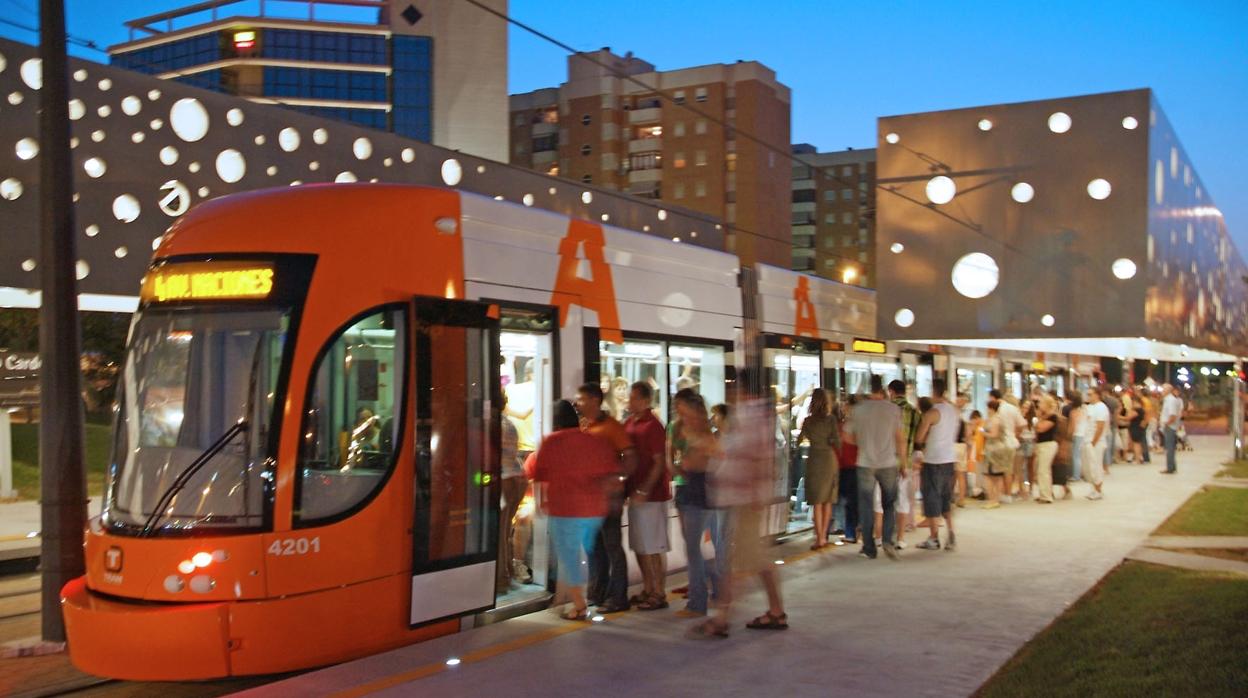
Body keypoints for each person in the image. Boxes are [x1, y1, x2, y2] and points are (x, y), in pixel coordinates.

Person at [695, 369, 787, 637]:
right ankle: (772, 610)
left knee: (741, 560)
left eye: (731, 386)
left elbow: (758, 457)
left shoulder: (752, 416)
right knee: (749, 559)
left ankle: (724, 617)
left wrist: (757, 493)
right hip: (743, 498)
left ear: (740, 388)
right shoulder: (750, 415)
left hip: (746, 499)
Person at [526, 400, 620, 621]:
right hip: (594, 511)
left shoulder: (550, 442)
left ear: (555, 421)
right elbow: (610, 473)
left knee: (570, 558)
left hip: (565, 509)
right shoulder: (593, 441)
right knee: (587, 553)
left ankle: (579, 604)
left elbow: (540, 478)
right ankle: (588, 596)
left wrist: (541, 504)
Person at [576, 383, 637, 614]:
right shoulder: (584, 426)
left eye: (581, 399)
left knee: (611, 546)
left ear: (594, 400)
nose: (578, 403)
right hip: (589, 498)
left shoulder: (612, 427)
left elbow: (631, 456)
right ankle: (597, 594)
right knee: (593, 547)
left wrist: (618, 479)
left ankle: (618, 597)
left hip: (608, 498)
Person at [673, 389, 722, 619]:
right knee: (693, 547)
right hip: (689, 489)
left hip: (699, 491)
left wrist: (690, 462)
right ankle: (716, 585)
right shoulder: (685, 429)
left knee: (693, 548)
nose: (680, 415)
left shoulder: (703, 434)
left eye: (683, 410)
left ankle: (698, 602)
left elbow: (714, 459)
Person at [846, 375, 906, 560]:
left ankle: (869, 548)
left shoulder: (858, 410)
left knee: (866, 505)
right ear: (882, 390)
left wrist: (863, 443)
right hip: (888, 462)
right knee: (889, 503)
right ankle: (887, 541)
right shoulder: (893, 409)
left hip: (865, 463)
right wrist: (902, 462)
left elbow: (847, 437)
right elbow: (899, 438)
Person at [624, 381, 672, 610]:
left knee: (653, 546)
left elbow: (659, 463)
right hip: (636, 493)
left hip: (652, 496)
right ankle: (648, 587)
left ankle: (658, 592)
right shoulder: (630, 422)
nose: (629, 401)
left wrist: (644, 489)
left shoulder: (653, 426)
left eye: (633, 398)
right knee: (640, 545)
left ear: (645, 400)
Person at [913, 379, 959, 551]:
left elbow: (919, 438)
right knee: (946, 497)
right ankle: (951, 531)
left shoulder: (931, 413)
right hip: (949, 459)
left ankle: (933, 538)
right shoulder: (953, 411)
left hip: (933, 460)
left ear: (933, 391)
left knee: (931, 498)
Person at [795, 388, 840, 550]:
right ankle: (823, 538)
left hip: (814, 460)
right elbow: (837, 442)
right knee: (827, 500)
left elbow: (798, 441)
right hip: (829, 460)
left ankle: (818, 537)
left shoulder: (808, 421)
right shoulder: (831, 420)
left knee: (816, 502)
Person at [497, 392, 525, 594]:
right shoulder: (509, 423)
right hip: (517, 477)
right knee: (506, 530)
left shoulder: (491, 424)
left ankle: (501, 579)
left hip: (504, 479)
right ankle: (506, 571)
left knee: (499, 532)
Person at [989, 389, 1025, 502]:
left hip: (998, 442)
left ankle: (999, 494)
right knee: (1008, 469)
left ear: (993, 397)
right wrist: (1016, 433)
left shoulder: (995, 410)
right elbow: (1023, 424)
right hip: (1011, 441)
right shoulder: (1012, 408)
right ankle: (1008, 494)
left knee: (998, 470)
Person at [834, 397, 860, 544]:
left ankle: (850, 531)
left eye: (846, 406)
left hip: (848, 466)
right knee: (850, 500)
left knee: (848, 500)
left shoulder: (849, 425)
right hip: (850, 465)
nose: (844, 408)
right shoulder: (847, 424)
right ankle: (851, 531)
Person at [981, 399, 1011, 509]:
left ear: (991, 408)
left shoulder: (994, 420)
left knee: (989, 475)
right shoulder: (999, 419)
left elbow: (994, 434)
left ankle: (992, 499)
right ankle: (996, 499)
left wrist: (982, 433)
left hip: (993, 450)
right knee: (998, 476)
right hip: (1000, 449)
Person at [1082, 387, 1110, 500]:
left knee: (1096, 466)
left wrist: (1094, 442)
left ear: (1097, 395)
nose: (1088, 396)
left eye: (1090, 394)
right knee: (1089, 467)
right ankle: (1093, 488)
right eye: (1087, 394)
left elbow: (1100, 426)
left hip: (1096, 442)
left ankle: (1098, 489)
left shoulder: (1101, 407)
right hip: (1088, 440)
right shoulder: (1089, 407)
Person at [1032, 395, 1059, 504]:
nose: (1039, 405)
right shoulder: (1042, 416)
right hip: (1040, 444)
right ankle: (1044, 492)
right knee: (1040, 470)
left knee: (1044, 470)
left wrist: (1039, 420)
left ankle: (1046, 496)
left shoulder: (1053, 416)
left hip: (1048, 445)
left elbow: (1041, 428)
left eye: (1042, 403)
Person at [1161, 383, 1183, 474]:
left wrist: (1167, 423)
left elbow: (1173, 415)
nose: (1161, 391)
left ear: (1168, 390)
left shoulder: (1171, 400)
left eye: (1163, 389)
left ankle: (1170, 467)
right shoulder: (1168, 400)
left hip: (1170, 427)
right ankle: (1171, 466)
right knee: (1170, 447)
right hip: (1170, 426)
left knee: (1169, 448)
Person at [953, 394, 970, 507]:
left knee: (951, 473)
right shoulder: (964, 419)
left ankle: (949, 496)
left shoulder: (951, 418)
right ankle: (962, 498)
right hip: (962, 446)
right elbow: (968, 435)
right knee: (961, 474)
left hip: (953, 446)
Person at [1068, 393, 1086, 483]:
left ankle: (1076, 475)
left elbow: (1073, 425)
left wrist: (1069, 435)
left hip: (1076, 434)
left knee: (1075, 456)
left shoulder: (1073, 412)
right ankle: (1081, 473)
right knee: (1080, 455)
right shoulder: (1083, 410)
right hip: (1083, 434)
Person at [1102, 387, 1120, 472]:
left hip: (1105, 423)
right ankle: (1111, 459)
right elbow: (1116, 413)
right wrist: (1116, 423)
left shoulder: (1103, 401)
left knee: (1106, 443)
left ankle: (1106, 461)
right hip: (1113, 423)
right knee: (1111, 442)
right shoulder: (1115, 401)